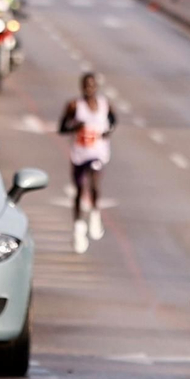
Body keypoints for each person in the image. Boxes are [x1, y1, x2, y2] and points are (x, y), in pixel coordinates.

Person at [59, 72, 116, 255]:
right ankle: (78, 225)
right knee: (79, 189)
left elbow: (114, 121)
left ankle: (94, 212)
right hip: (79, 154)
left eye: (92, 85)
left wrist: (109, 131)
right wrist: (76, 127)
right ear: (81, 87)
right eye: (86, 85)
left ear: (96, 87)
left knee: (94, 183)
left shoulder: (105, 105)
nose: (89, 88)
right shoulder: (75, 106)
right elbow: (62, 128)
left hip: (98, 152)